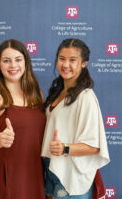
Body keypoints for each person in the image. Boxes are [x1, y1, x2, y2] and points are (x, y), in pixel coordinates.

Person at [0, 39, 46, 199]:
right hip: (6, 174)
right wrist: (0, 139)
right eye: (6, 61)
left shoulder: (36, 95)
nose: (13, 65)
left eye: (18, 59)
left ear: (26, 62)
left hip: (33, 171)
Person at [41, 39, 110, 199]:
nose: (66, 65)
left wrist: (65, 148)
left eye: (72, 60)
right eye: (62, 58)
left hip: (72, 178)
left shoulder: (86, 97)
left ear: (84, 63)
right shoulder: (57, 93)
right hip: (52, 170)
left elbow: (94, 146)